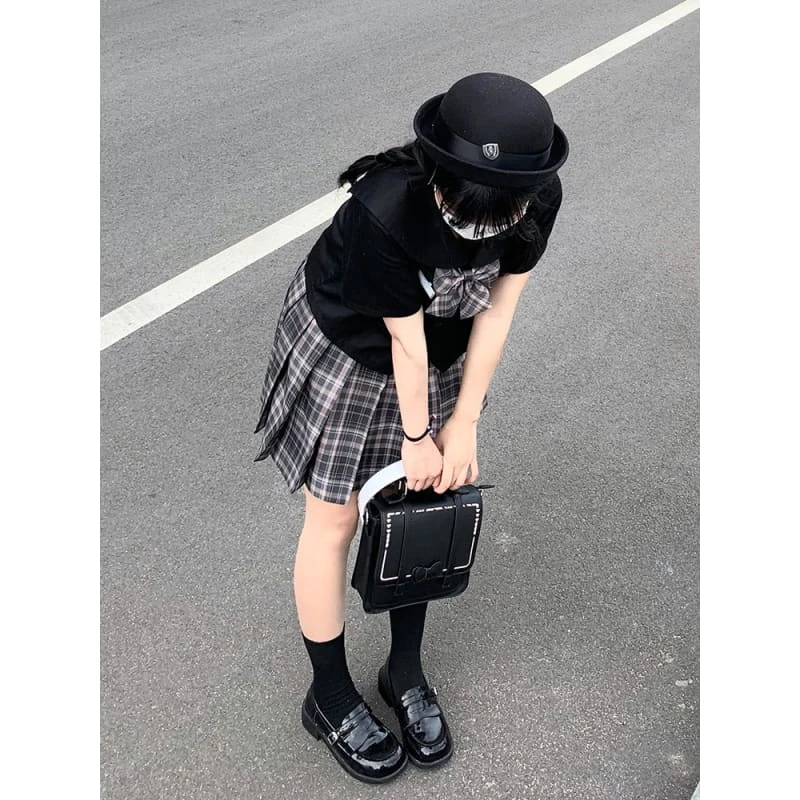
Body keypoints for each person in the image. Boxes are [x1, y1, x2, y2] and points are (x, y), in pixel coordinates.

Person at [253, 72, 568, 783]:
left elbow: (498, 309)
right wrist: (419, 436)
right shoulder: (386, 208)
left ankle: (403, 671)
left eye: (503, 211)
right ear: (438, 172)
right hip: (353, 345)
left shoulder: (538, 197)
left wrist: (466, 421)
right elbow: (404, 340)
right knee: (334, 520)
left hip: (444, 346)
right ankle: (329, 696)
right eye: (467, 208)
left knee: (423, 507)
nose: (484, 227)